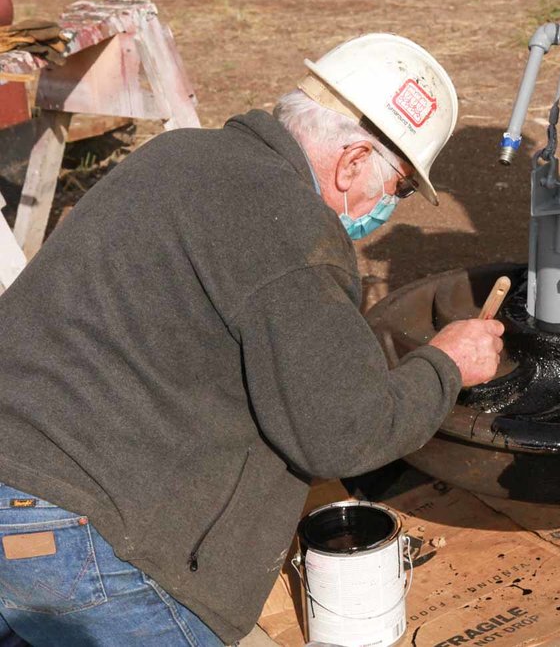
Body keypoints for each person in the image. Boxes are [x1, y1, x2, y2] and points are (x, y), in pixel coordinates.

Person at [0, 34, 504, 645]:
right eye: (397, 189)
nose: (387, 209)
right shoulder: (292, 231)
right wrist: (445, 366)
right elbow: (343, 432)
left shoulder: (179, 155)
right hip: (82, 535)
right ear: (350, 162)